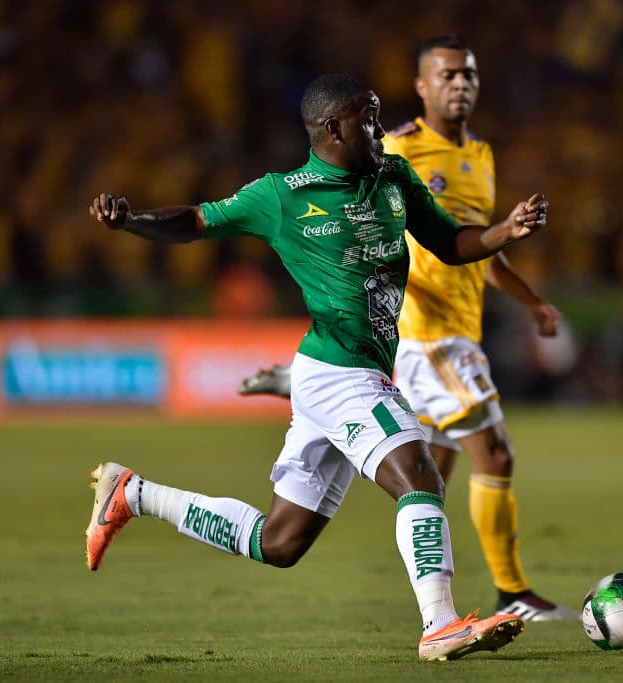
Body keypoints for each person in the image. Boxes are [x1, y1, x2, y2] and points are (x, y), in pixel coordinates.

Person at [84, 73, 550, 662]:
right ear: (334, 128)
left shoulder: (394, 178)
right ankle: (441, 624)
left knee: (279, 543)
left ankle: (133, 494)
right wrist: (131, 220)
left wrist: (507, 230)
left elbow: (450, 243)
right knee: (420, 476)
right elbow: (197, 222)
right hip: (340, 372)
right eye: (370, 119)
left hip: (335, 371)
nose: (381, 130)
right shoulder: (281, 195)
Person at [238, 36, 576, 621]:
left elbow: (467, 241)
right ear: (422, 87)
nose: (460, 84)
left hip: (449, 332)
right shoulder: (391, 149)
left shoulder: (482, 155)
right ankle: (507, 593)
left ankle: (301, 386)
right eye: (447, 76)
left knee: (428, 474)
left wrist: (531, 299)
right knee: (489, 452)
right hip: (425, 334)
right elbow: (363, 238)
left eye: (468, 74)